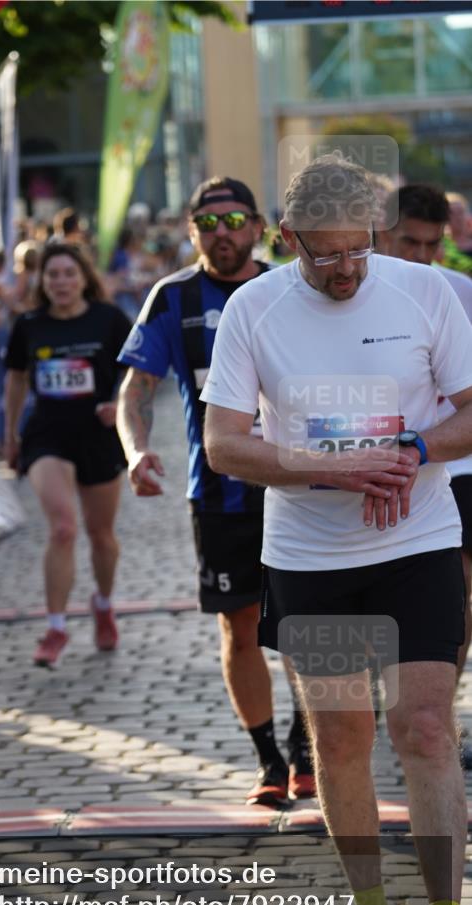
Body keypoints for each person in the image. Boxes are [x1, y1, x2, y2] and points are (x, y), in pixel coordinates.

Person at [201, 154, 472, 905]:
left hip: (418, 541)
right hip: (311, 556)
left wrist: (411, 452)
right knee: (342, 738)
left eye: (358, 249)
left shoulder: (427, 291)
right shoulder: (252, 308)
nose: (347, 268)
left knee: (423, 730)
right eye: (325, 256)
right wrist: (328, 469)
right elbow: (223, 443)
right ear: (286, 241)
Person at [116, 176, 314, 806]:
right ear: (190, 231)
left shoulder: (294, 286)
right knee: (240, 625)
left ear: (258, 227)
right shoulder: (171, 298)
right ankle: (268, 761)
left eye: (234, 222)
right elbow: (135, 391)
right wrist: (136, 448)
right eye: (207, 224)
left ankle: (308, 743)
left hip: (302, 482)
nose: (221, 234)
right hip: (221, 491)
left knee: (308, 622)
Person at [4, 243, 131, 666]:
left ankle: (103, 602)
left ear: (83, 278)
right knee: (62, 527)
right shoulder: (29, 325)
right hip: (47, 437)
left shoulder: (108, 319)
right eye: (52, 274)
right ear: (42, 281)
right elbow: (16, 379)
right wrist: (10, 434)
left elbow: (136, 370)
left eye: (68, 273)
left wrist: (118, 403)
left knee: (102, 537)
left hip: (97, 434)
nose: (60, 282)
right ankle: (55, 628)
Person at [382, 185, 472, 727]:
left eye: (430, 245)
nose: (419, 256)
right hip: (373, 468)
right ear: (382, 235)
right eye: (407, 242)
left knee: (455, 593)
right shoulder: (352, 292)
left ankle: (435, 705)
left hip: (457, 466)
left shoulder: (460, 290)